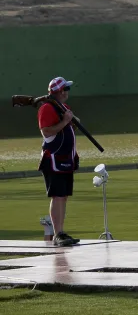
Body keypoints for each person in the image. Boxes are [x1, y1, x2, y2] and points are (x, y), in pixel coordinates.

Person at [37, 77, 81, 247]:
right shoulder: (47, 108)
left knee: (63, 196)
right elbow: (47, 132)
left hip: (65, 158)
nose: (68, 92)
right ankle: (57, 234)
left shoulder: (62, 107)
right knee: (57, 196)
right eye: (66, 89)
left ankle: (61, 231)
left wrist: (72, 122)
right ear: (61, 91)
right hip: (53, 158)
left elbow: (70, 127)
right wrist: (65, 121)